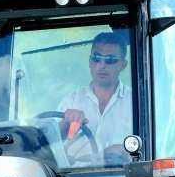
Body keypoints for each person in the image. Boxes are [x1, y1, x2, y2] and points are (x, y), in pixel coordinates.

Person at [54, 31, 132, 165]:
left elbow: (151, 149)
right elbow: (50, 147)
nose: (101, 65)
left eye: (110, 60)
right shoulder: (71, 102)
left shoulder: (135, 103)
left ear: (123, 65)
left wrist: (127, 153)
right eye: (96, 58)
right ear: (90, 62)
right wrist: (65, 125)